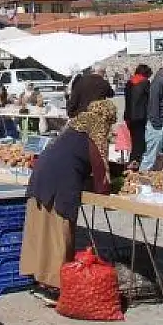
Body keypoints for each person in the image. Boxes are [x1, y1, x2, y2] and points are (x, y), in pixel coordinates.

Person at [20, 100, 116, 298]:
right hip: (60, 183)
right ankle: (55, 285)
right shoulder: (96, 132)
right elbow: (100, 168)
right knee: (57, 234)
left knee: (40, 232)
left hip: (42, 174)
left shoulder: (75, 126)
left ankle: (39, 279)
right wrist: (106, 191)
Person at [123, 64, 152, 166]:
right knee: (141, 141)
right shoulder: (145, 82)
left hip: (129, 116)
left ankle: (133, 160)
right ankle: (137, 162)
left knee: (134, 140)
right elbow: (150, 99)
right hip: (141, 116)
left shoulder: (129, 83)